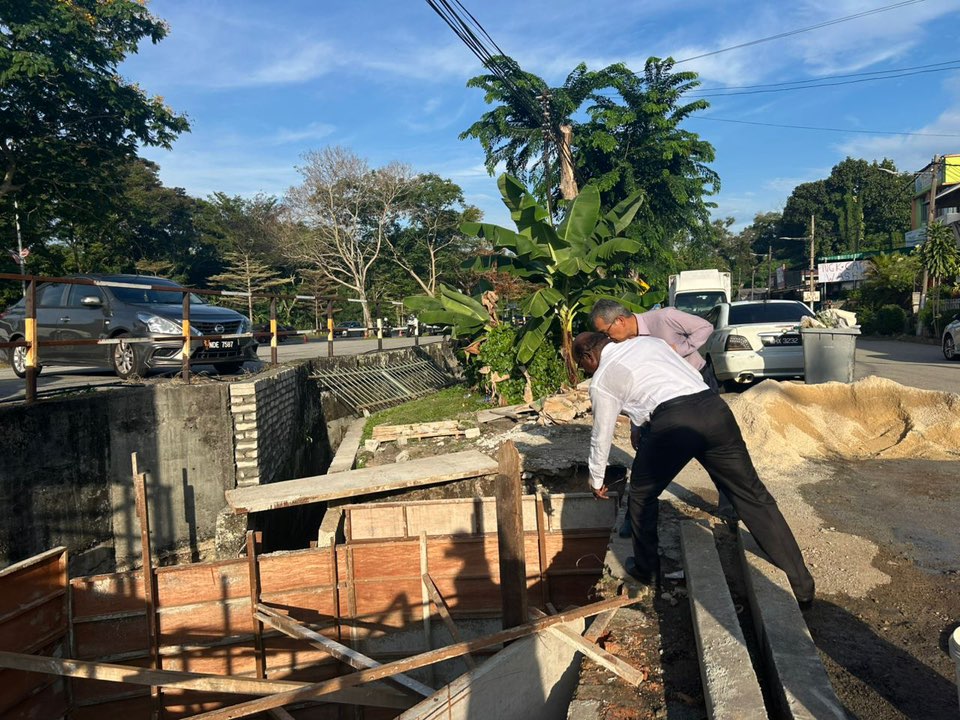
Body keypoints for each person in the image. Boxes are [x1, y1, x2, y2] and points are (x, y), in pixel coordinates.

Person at [572, 331, 815, 608]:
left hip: (674, 421)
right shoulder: (649, 342)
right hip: (713, 408)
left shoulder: (602, 378)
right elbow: (684, 377)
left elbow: (601, 433)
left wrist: (596, 478)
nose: (587, 371)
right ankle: (802, 586)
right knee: (752, 495)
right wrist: (644, 423)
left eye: (583, 366)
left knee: (641, 494)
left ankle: (645, 569)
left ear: (589, 357)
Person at [590, 299, 737, 522]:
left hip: (697, 383)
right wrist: (635, 426)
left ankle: (730, 509)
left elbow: (705, 327)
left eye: (607, 332)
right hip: (663, 401)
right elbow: (637, 388)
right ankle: (634, 516)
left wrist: (677, 351)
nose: (608, 339)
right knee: (646, 452)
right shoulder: (627, 345)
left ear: (619, 320)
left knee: (712, 448)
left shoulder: (664, 318)